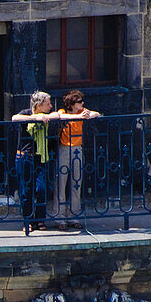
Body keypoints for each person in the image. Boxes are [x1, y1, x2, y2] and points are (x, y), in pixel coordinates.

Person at [54, 90, 100, 229]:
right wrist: (78, 116)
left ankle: (74, 215)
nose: (82, 104)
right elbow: (60, 116)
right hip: (64, 148)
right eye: (79, 102)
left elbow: (95, 113)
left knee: (76, 182)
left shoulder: (83, 111)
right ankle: (59, 217)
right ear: (73, 104)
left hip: (77, 148)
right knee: (61, 182)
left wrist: (87, 115)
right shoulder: (63, 111)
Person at [12, 91, 56, 231]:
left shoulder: (47, 115)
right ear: (38, 105)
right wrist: (35, 118)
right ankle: (28, 220)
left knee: (41, 188)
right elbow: (14, 118)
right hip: (25, 156)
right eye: (48, 104)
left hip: (40, 156)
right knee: (26, 190)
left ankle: (40, 219)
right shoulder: (26, 113)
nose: (50, 106)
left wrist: (44, 116)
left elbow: (57, 115)